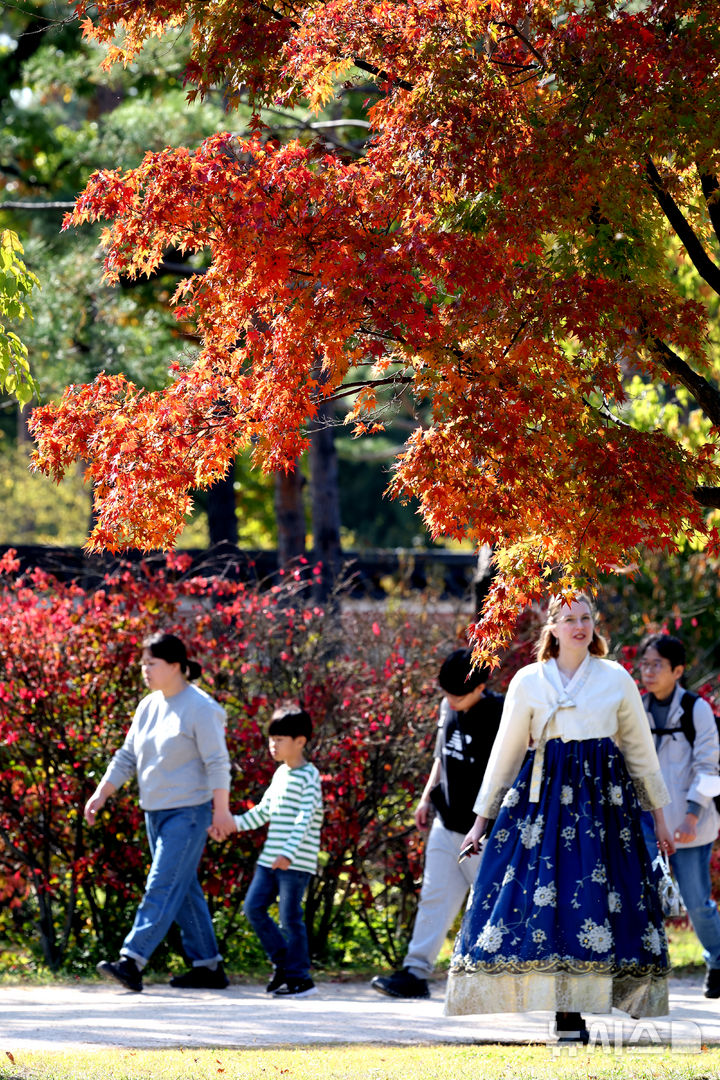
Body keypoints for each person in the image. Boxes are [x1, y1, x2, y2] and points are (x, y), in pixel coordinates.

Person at [445, 595, 674, 1044]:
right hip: (543, 800)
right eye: (569, 619)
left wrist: (659, 821)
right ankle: (563, 1011)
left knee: (593, 898)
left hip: (601, 802)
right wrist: (480, 822)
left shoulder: (615, 678)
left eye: (586, 618)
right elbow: (505, 755)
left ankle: (578, 1009)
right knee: (546, 900)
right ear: (551, 627)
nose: (579, 626)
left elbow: (641, 754)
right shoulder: (529, 681)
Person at [84, 632, 235, 992]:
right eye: (143, 663)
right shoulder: (149, 706)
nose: (144, 670)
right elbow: (127, 756)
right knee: (182, 888)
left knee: (163, 883)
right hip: (155, 811)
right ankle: (208, 966)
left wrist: (222, 811)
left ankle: (132, 960)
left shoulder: (202, 708)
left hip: (190, 812)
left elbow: (218, 762)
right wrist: (101, 793)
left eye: (151, 663)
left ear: (176, 666)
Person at [370, 648, 504, 999]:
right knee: (434, 898)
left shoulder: (500, 714)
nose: (450, 700)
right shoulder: (448, 707)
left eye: (457, 694)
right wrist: (427, 795)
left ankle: (497, 978)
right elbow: (441, 755)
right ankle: (415, 972)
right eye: (446, 693)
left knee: (491, 904)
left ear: (481, 686)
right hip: (447, 823)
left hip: (485, 832)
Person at [219, 704, 323, 998]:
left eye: (279, 739)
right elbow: (263, 811)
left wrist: (288, 853)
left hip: (294, 862)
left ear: (300, 741)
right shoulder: (280, 774)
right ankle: (284, 964)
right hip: (269, 860)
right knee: (253, 908)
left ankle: (301, 979)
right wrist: (231, 825)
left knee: (290, 918)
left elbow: (305, 817)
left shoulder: (309, 776)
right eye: (271, 739)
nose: (272, 745)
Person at [637, 632, 720, 999]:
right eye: (645, 664)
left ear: (678, 670)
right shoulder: (636, 708)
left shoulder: (695, 709)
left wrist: (690, 816)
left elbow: (708, 766)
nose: (649, 671)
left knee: (697, 902)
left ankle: (717, 961)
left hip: (691, 827)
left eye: (657, 665)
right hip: (648, 828)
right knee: (641, 903)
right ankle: (643, 973)